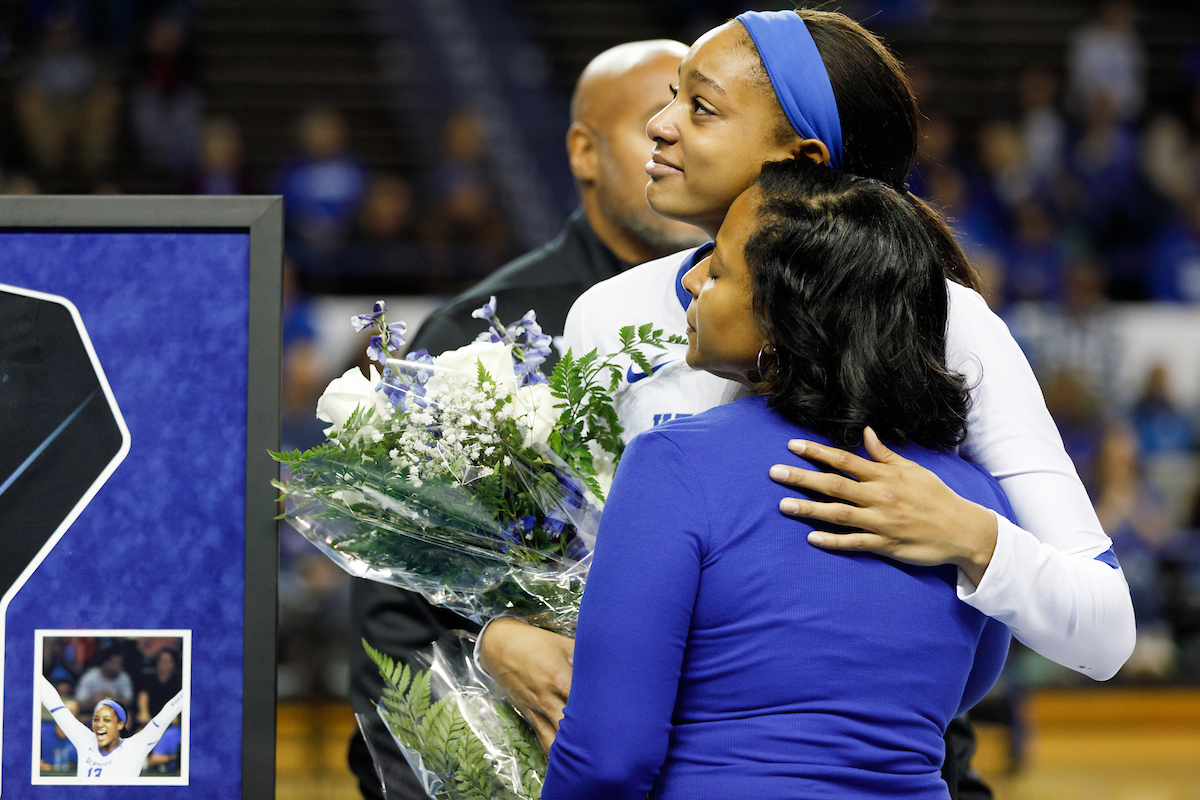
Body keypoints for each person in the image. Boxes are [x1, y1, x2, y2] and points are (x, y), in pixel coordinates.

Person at [484, 9, 1134, 797]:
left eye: (701, 107)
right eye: (669, 97)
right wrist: (498, 637)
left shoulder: (950, 322)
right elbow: (577, 575)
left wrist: (967, 533)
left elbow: (1105, 630)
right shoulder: (606, 313)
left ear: (803, 161)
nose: (657, 127)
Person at [543, 159, 1012, 799]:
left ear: (784, 318)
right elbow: (965, 688)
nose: (695, 278)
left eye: (722, 267)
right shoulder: (978, 500)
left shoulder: (670, 465)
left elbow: (608, 757)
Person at [345, 39, 708, 800]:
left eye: (700, 114)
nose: (679, 137)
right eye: (655, 119)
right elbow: (393, 601)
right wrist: (483, 652)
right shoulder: (477, 337)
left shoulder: (771, 316)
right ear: (584, 150)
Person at [40, 675, 184, 780]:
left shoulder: (135, 746)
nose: (99, 724)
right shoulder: (85, 741)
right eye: (96, 719)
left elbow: (167, 713)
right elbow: (54, 704)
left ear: (120, 724)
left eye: (107, 720)